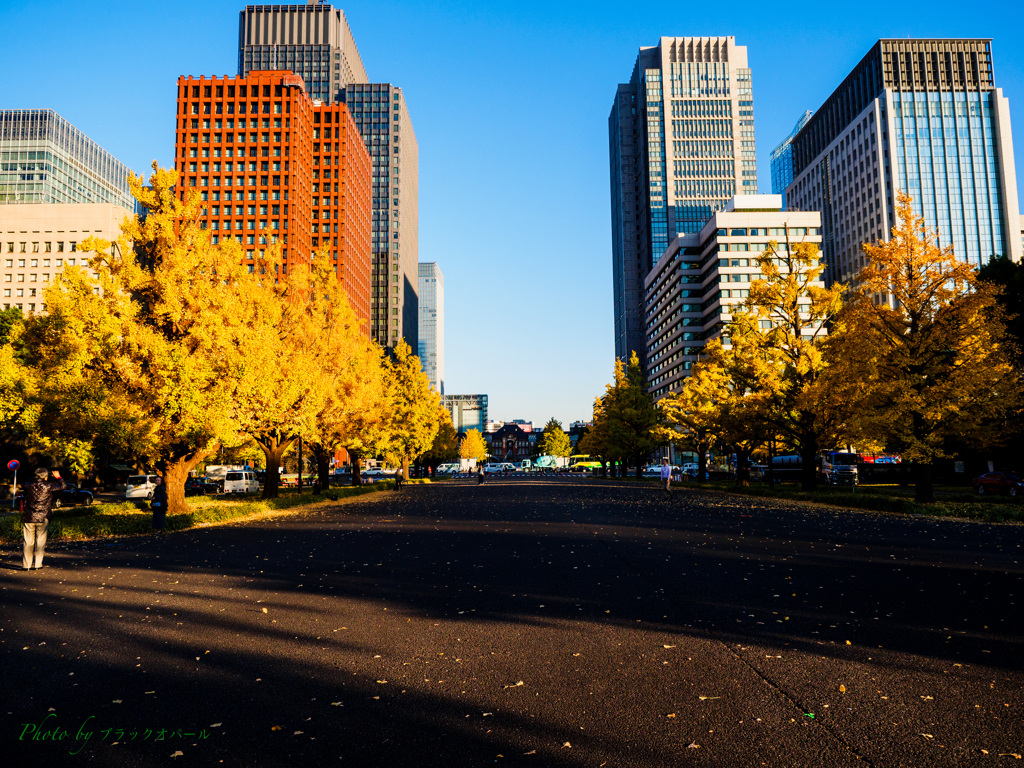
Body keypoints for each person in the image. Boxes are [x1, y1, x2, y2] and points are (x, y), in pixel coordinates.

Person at [22, 468, 65, 571]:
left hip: (29, 516)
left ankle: (26, 565)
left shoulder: (28, 486)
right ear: (46, 477)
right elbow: (63, 486)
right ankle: (38, 564)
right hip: (43, 516)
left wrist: (36, 476)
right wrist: (58, 477)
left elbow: (26, 483)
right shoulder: (49, 486)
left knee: (28, 542)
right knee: (40, 541)